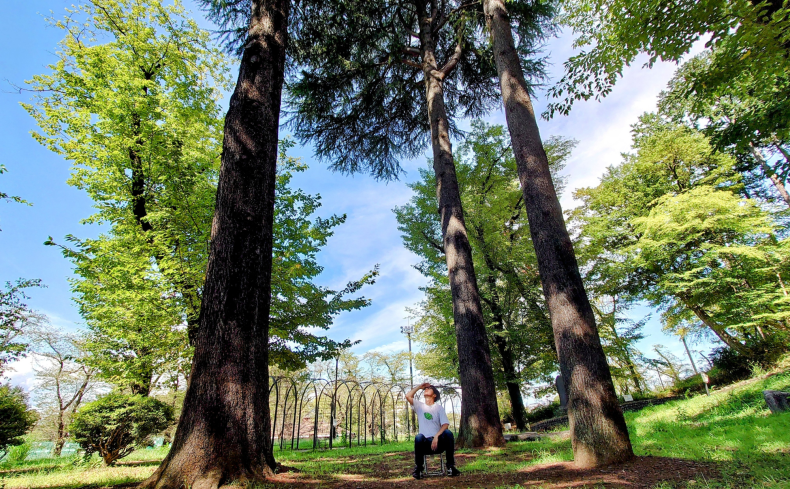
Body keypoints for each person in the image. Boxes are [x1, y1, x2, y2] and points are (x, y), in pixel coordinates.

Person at [406, 382, 461, 479]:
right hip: (425, 444)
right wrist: (419, 387)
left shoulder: (439, 408)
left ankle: (451, 467)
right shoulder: (420, 406)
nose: (426, 389)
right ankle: (418, 469)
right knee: (418, 437)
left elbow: (445, 425)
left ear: (434, 395)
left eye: (429, 388)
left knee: (448, 433)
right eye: (426, 388)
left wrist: (436, 436)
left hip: (438, 443)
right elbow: (408, 396)